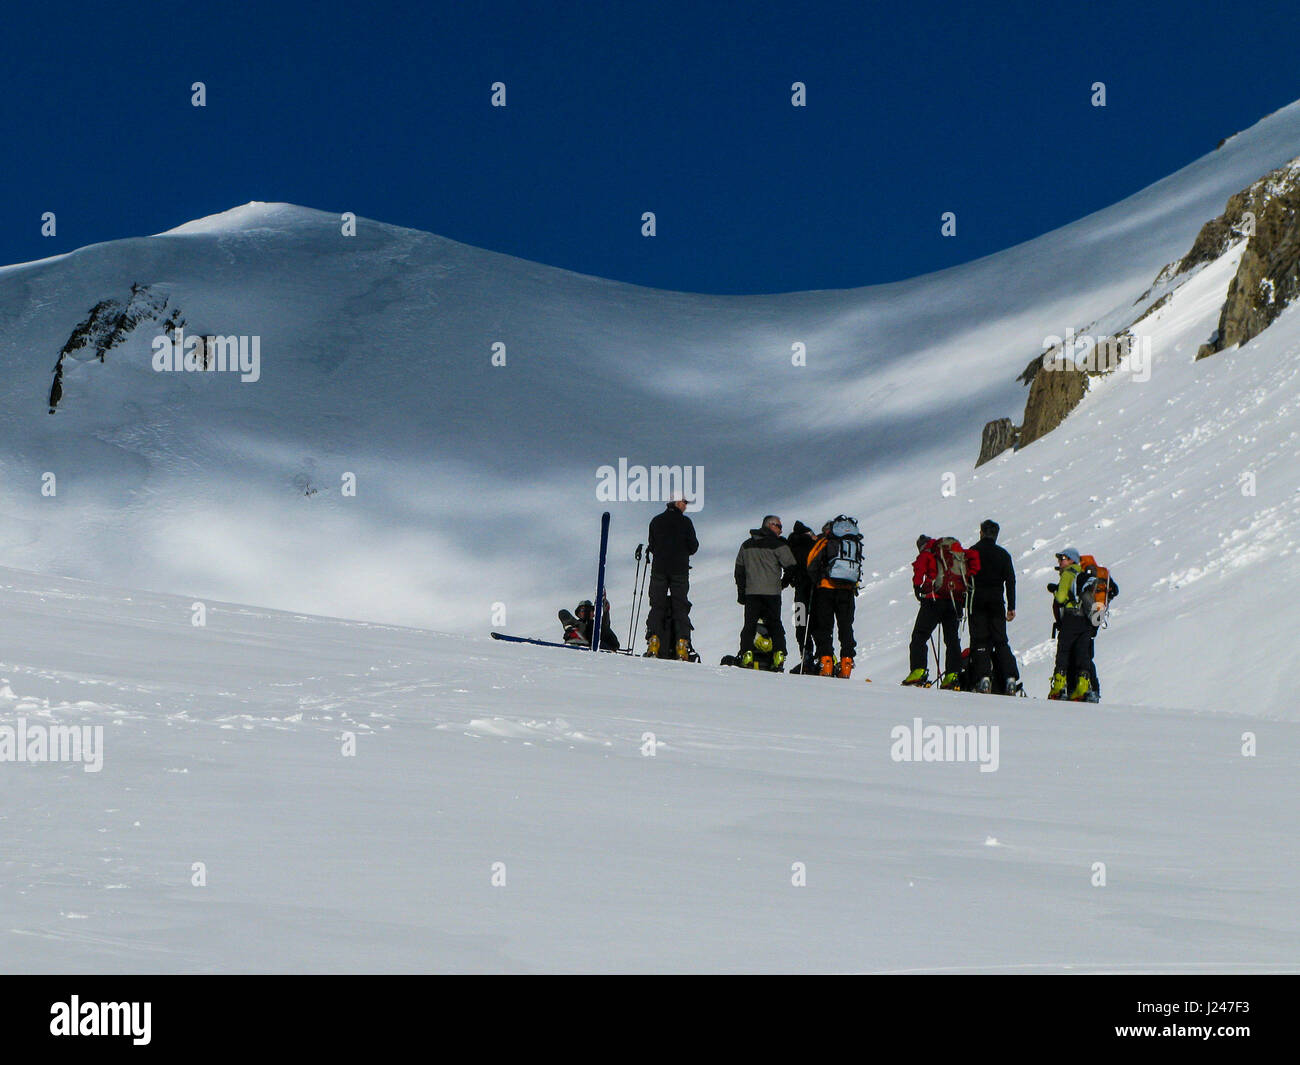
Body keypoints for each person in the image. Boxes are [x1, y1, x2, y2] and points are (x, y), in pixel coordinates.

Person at [903, 534, 980, 689]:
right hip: (955, 600)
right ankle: (952, 675)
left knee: (919, 636)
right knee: (952, 640)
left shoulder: (929, 552)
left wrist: (917, 588)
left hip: (934, 600)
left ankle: (918, 671)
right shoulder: (955, 552)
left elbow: (919, 568)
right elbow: (975, 560)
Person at [734, 515, 798, 670]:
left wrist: (742, 592)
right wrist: (783, 583)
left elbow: (739, 571)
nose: (781, 530)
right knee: (775, 625)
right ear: (770, 525)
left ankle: (747, 653)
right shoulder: (778, 545)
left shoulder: (746, 545)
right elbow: (792, 566)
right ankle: (779, 655)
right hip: (772, 593)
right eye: (779, 526)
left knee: (749, 625)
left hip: (752, 593)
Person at [968, 519, 1022, 695]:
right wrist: (1011, 606)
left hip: (977, 602)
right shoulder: (1003, 555)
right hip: (998, 602)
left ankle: (984, 678)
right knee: (1001, 641)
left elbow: (965, 578)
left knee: (980, 640)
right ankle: (1010, 678)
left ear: (981, 532)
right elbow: (1011, 581)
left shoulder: (973, 552)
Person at [805, 516, 864, 677]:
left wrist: (817, 579)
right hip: (847, 589)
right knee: (846, 627)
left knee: (825, 626)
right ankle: (846, 663)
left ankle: (827, 662)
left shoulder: (826, 540)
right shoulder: (853, 542)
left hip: (826, 587)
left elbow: (811, 562)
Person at [645, 495, 698, 660]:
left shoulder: (656, 521)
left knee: (657, 606)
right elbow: (694, 546)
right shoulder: (686, 522)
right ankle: (682, 644)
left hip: (659, 569)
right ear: (676, 502)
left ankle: (654, 640)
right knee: (680, 607)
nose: (686, 506)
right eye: (684, 502)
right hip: (679, 571)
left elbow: (652, 545)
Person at [1047, 547, 1094, 701]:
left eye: (1063, 558)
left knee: (1064, 652)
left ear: (1072, 560)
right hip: (1086, 621)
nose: (1060, 562)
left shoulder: (1068, 574)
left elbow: (1060, 599)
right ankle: (1082, 687)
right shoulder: (1083, 575)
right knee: (1082, 654)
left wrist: (1057, 590)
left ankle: (1059, 687)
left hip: (1071, 619)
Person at [785, 520, 817, 672]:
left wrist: (786, 582)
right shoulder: (813, 545)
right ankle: (824, 657)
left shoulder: (791, 546)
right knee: (817, 625)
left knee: (800, 624)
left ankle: (806, 656)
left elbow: (790, 568)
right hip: (815, 590)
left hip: (799, 591)